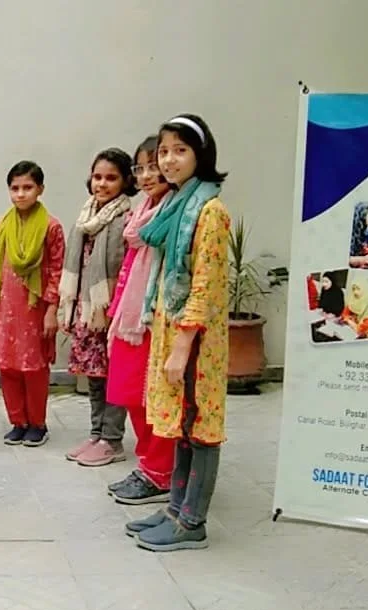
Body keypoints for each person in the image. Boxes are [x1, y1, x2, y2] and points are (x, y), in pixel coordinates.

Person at [125, 114, 232, 552]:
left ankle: (193, 521)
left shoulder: (209, 211)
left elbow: (205, 283)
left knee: (199, 423)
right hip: (175, 329)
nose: (168, 160)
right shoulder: (174, 206)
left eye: (179, 151)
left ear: (200, 155)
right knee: (183, 423)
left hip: (198, 339)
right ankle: (175, 507)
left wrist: (183, 346)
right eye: (164, 151)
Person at [105, 137, 177, 505]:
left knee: (154, 397)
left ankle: (161, 471)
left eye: (155, 165)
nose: (148, 174)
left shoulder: (174, 212)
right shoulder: (142, 211)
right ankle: (149, 464)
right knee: (131, 393)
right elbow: (129, 264)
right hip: (130, 318)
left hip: (155, 319)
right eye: (142, 167)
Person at [0, 161, 65, 447]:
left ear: (40, 189)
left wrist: (52, 310)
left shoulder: (51, 228)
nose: (21, 194)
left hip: (35, 309)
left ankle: (37, 423)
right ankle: (17, 421)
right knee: (8, 366)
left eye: (27, 187)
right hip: (4, 307)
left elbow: (57, 270)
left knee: (34, 367)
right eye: (15, 188)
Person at [62, 148, 135, 467]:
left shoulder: (126, 218)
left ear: (125, 181)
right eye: (97, 176)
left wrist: (113, 309)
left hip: (110, 311)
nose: (102, 184)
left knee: (113, 375)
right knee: (94, 375)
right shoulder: (86, 216)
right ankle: (96, 433)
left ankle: (113, 439)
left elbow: (126, 270)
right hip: (86, 311)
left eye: (111, 178)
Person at [340, 275, 368, 340]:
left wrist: (349, 321)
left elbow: (361, 330)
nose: (355, 292)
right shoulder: (353, 300)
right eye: (353, 289)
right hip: (349, 332)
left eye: (358, 288)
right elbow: (344, 314)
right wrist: (350, 319)